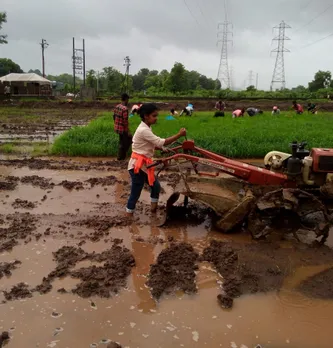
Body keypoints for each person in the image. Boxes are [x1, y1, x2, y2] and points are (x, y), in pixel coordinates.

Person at [126, 103, 186, 215]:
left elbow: (153, 144)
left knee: (156, 186)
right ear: (145, 116)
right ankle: (128, 214)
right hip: (137, 166)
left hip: (144, 165)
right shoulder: (143, 130)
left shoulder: (147, 127)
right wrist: (179, 135)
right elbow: (159, 141)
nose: (156, 118)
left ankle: (153, 210)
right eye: (154, 116)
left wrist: (163, 148)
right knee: (136, 192)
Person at [113, 93, 132, 161]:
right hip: (123, 129)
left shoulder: (117, 106)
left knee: (122, 141)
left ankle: (120, 157)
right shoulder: (125, 109)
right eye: (128, 100)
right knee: (128, 140)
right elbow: (125, 121)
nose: (128, 101)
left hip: (117, 128)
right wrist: (128, 131)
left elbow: (114, 116)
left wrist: (116, 124)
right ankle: (121, 157)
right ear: (126, 99)